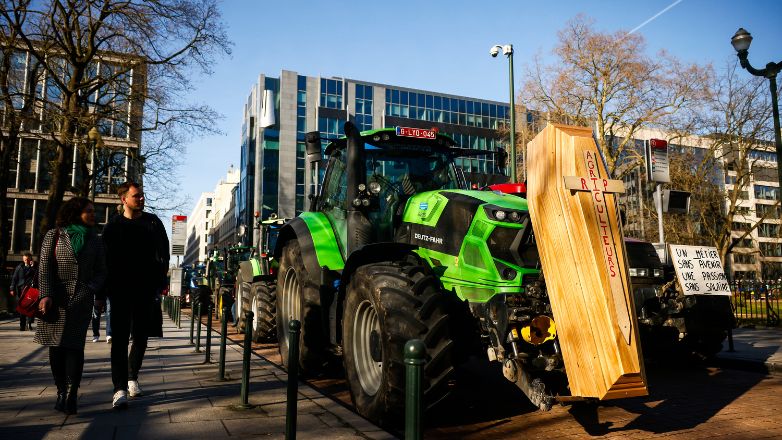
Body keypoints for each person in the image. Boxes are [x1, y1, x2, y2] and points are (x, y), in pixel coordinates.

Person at [34, 197, 107, 415]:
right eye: (89, 211)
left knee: (74, 347)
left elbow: (102, 271)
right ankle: (60, 391)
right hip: (55, 299)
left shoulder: (96, 240)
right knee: (55, 347)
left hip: (81, 300)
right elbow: (44, 268)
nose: (93, 214)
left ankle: (72, 393)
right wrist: (45, 295)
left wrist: (89, 289)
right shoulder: (54, 235)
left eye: (94, 211)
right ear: (75, 213)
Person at [101, 181, 169, 410]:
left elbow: (164, 253)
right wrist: (103, 292)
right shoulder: (112, 227)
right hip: (119, 291)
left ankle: (132, 377)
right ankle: (118, 388)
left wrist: (159, 282)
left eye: (142, 195)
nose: (141, 199)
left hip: (145, 290)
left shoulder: (153, 222)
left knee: (141, 336)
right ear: (124, 199)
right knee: (119, 340)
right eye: (136, 196)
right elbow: (105, 261)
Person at [9, 252, 37, 331]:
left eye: (28, 259)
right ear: (23, 259)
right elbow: (14, 279)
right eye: (25, 259)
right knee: (22, 308)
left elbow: (37, 276)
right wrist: (12, 289)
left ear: (30, 259)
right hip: (21, 290)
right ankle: (22, 325)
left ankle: (29, 323)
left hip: (30, 290)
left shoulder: (34, 267)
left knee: (30, 307)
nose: (26, 261)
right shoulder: (19, 267)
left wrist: (33, 267)